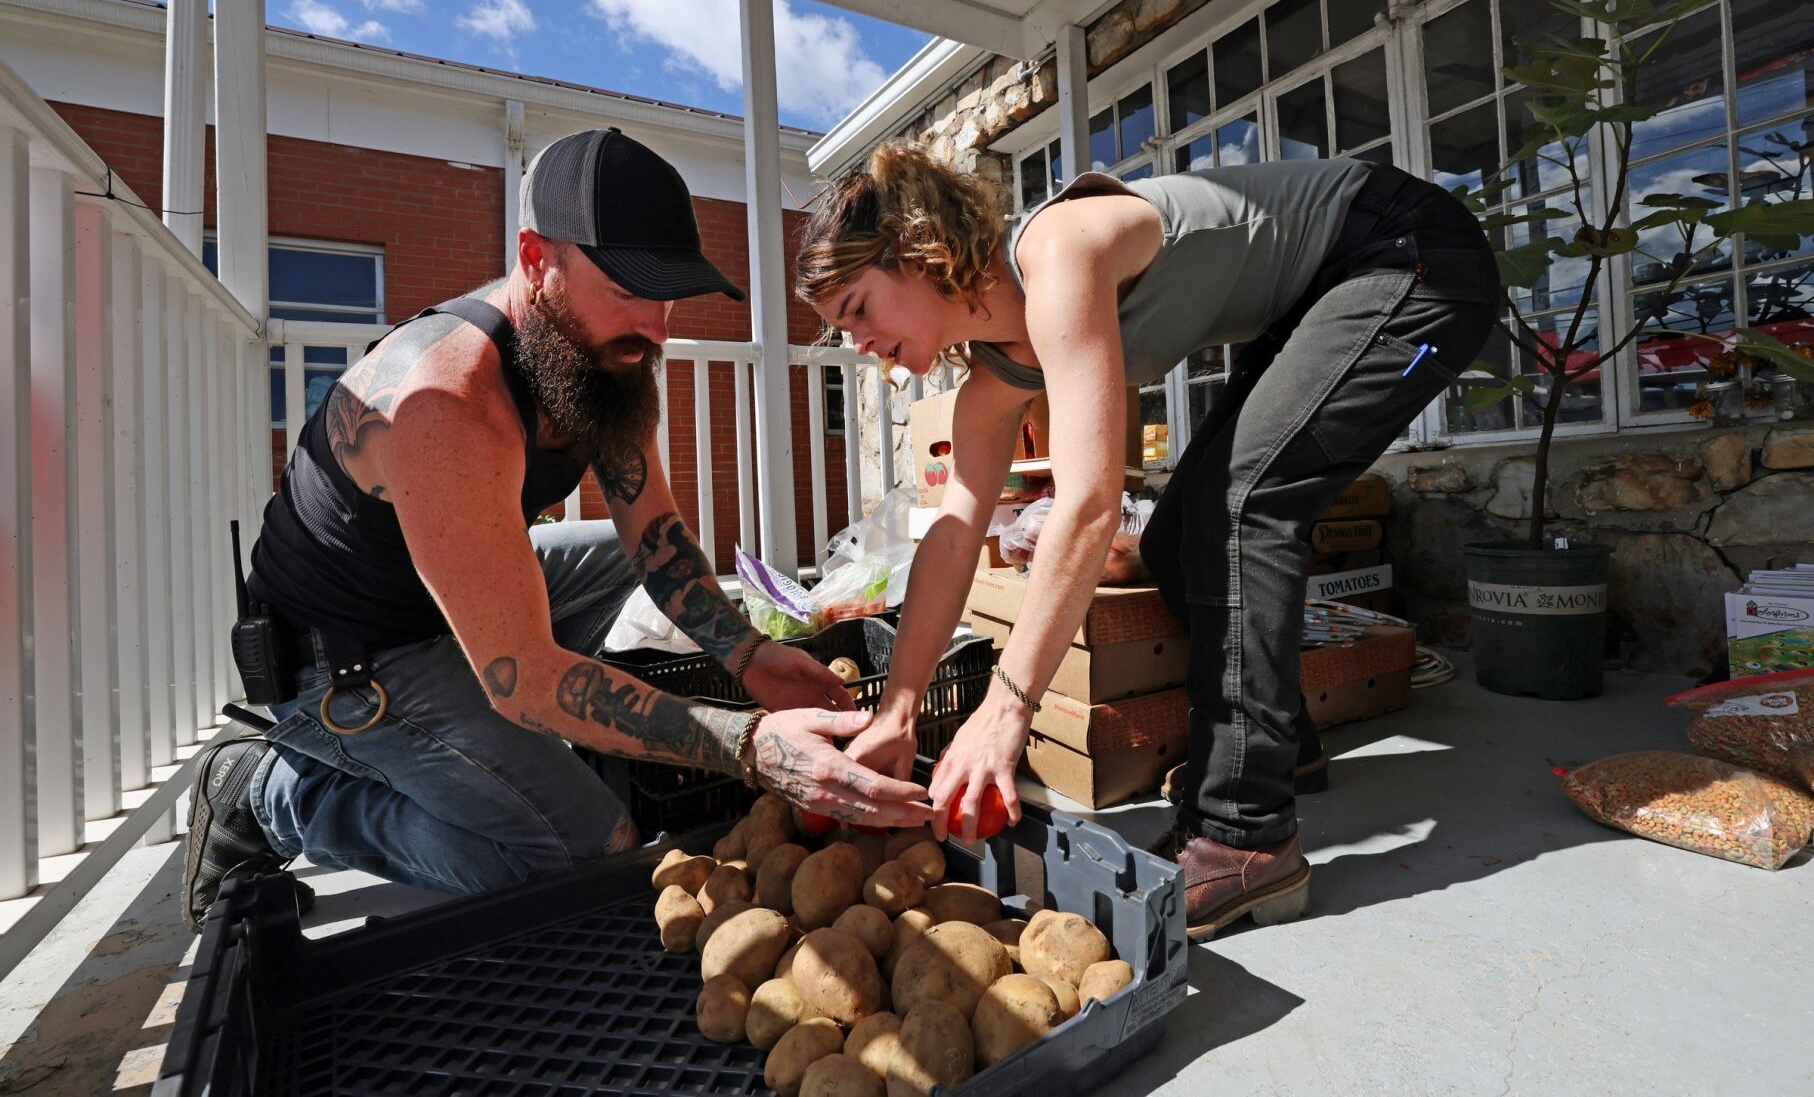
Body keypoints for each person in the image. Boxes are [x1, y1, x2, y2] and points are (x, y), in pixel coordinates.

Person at [183, 128, 930, 932]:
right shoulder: (443, 401)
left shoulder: (605, 356)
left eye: (670, 293)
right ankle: (272, 795)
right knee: (586, 851)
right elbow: (524, 680)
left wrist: (749, 656)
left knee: (615, 560)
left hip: (448, 610)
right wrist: (751, 745)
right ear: (537, 260)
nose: (659, 324)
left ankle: (497, 753)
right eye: (632, 289)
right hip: (346, 657)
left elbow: (655, 540)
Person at [795, 145, 1497, 939]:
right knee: (1172, 543)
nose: (855, 344)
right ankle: (1279, 748)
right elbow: (954, 538)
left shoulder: (1057, 255)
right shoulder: (993, 379)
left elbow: (1089, 506)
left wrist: (1004, 711)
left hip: (1411, 257)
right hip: (1319, 297)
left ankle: (1246, 832)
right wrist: (898, 710)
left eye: (856, 310)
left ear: (919, 253)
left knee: (1242, 505)